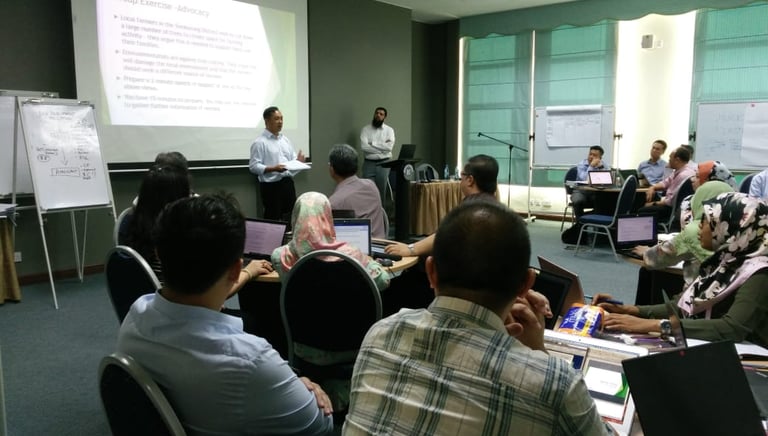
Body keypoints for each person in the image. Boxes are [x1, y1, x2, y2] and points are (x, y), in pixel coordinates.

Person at [344, 201, 614, 435]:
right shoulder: (555, 383)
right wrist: (538, 353)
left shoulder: (379, 335)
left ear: (431, 272)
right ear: (526, 284)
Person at [118, 194, 334, 435]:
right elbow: (320, 425)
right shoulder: (252, 362)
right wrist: (299, 388)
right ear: (235, 270)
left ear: (158, 253)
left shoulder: (135, 316)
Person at [597, 192, 768, 347]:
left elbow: (732, 328)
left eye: (707, 221)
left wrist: (654, 325)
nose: (699, 226)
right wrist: (630, 310)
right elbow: (684, 306)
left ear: (730, 227)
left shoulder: (760, 272)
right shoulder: (726, 260)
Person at [631, 180, 734, 305]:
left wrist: (646, 253)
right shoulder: (738, 227)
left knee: (650, 273)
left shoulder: (696, 230)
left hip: (699, 297)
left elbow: (660, 257)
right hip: (729, 294)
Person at [272, 191, 390, 292]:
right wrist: (370, 262)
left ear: (296, 217)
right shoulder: (350, 255)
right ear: (327, 218)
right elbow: (383, 282)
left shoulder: (281, 255)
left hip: (301, 312)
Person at [384, 154, 499, 257]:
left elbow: (443, 236)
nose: (460, 180)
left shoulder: (469, 210)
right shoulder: (499, 210)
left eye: (462, 176)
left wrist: (410, 249)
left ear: (470, 180)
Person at [249, 106, 306, 222]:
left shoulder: (285, 140)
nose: (280, 122)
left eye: (281, 118)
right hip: (271, 187)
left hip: (287, 183)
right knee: (273, 219)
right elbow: (254, 166)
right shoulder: (260, 142)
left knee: (291, 217)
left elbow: (292, 161)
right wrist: (273, 169)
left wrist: (298, 162)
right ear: (267, 121)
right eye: (276, 119)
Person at [328, 144, 387, 239]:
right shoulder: (371, 185)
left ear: (332, 169)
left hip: (353, 248)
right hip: (382, 245)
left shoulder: (334, 202)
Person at [638, 146, 696, 223]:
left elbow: (670, 201)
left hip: (672, 209)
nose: (669, 161)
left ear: (677, 160)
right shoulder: (681, 170)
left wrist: (653, 203)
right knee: (645, 198)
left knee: (641, 210)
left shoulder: (682, 175)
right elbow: (665, 182)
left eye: (670, 158)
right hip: (672, 204)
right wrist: (653, 187)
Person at [360, 107, 396, 203]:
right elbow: (364, 147)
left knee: (382, 190)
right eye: (377, 113)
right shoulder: (365, 129)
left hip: (384, 163)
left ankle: (381, 212)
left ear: (385, 117)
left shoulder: (389, 130)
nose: (378, 115)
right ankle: (368, 212)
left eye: (381, 114)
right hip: (369, 163)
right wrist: (382, 150)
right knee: (367, 191)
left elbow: (389, 147)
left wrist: (372, 144)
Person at [571, 145, 610, 218]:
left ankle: (591, 219)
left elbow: (608, 179)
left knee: (605, 201)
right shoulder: (581, 164)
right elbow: (584, 179)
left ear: (600, 158)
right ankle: (580, 222)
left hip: (596, 192)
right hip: (581, 191)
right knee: (577, 200)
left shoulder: (603, 164)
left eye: (594, 155)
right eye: (590, 154)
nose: (591, 156)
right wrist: (591, 166)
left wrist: (601, 168)